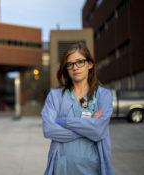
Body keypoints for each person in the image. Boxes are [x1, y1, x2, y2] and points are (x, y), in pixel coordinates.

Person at [41, 42, 114, 175]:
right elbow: (48, 129)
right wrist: (87, 128)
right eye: (70, 64)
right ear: (66, 69)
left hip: (92, 168)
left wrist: (63, 122)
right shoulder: (55, 96)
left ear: (90, 64)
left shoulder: (103, 96)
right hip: (62, 168)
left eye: (80, 62)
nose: (75, 67)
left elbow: (98, 130)